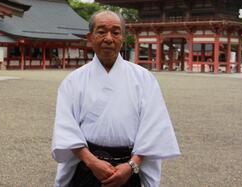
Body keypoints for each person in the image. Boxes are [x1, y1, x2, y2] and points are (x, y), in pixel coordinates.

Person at [51, 10, 180, 187]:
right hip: (87, 167)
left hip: (129, 169)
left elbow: (154, 127)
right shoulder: (73, 81)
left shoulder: (144, 78)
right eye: (102, 31)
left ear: (123, 37)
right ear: (90, 36)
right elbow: (66, 128)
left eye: (116, 32)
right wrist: (92, 162)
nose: (109, 38)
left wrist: (132, 165)